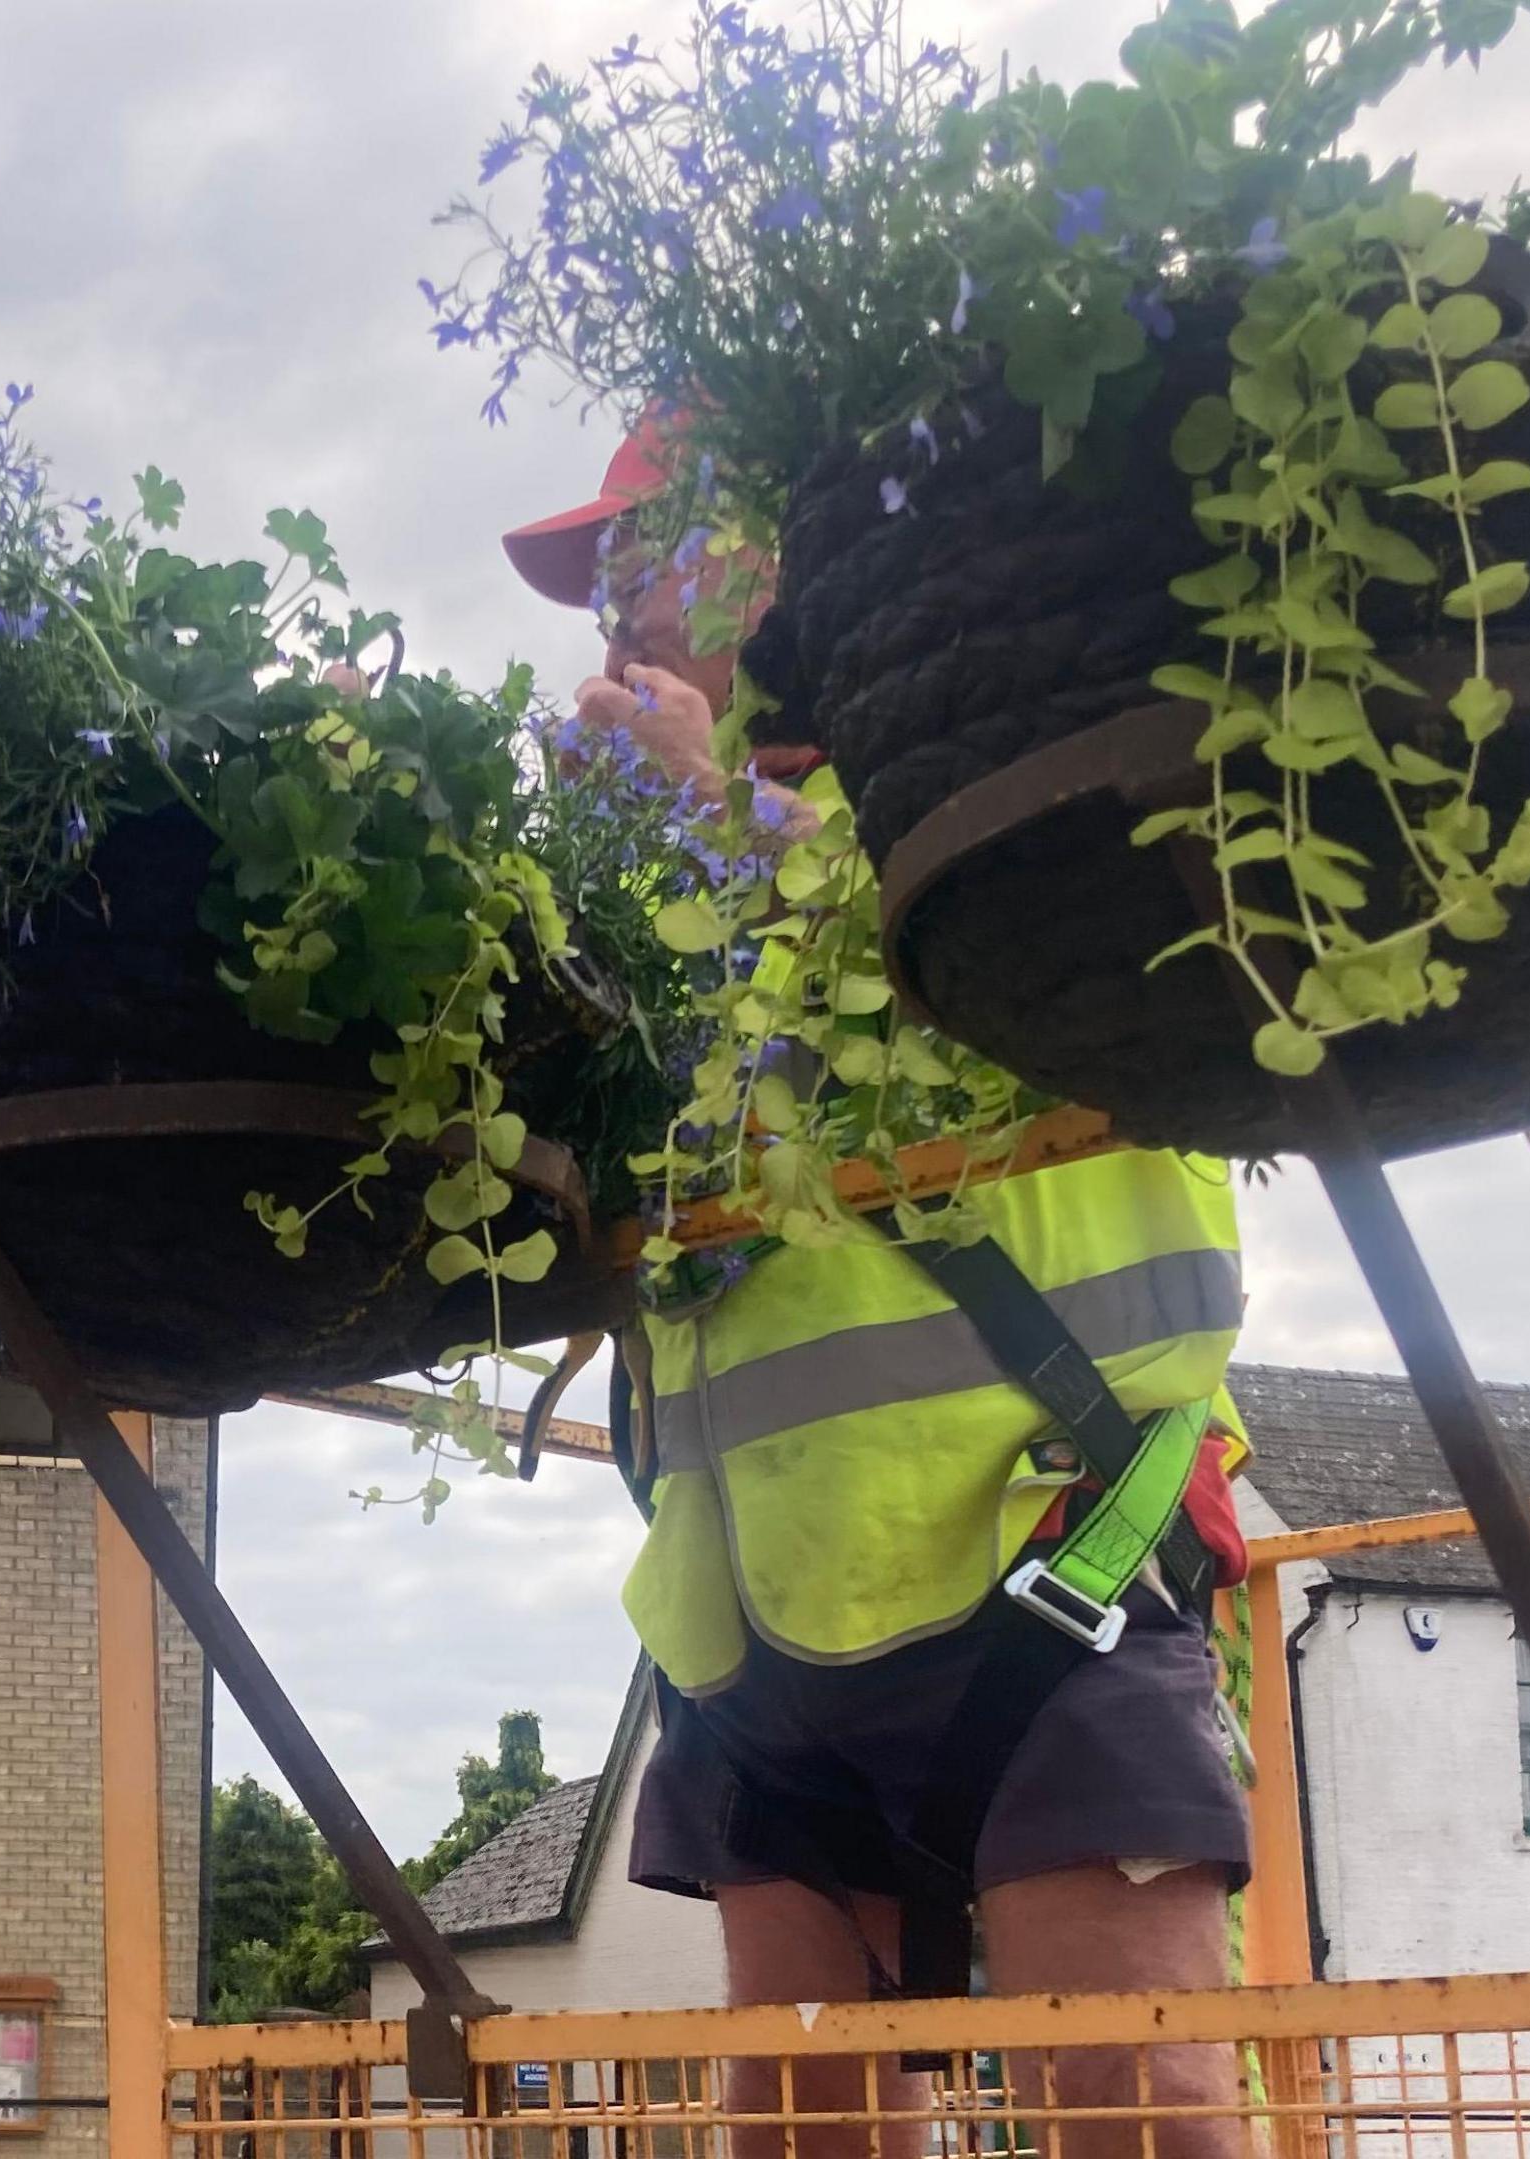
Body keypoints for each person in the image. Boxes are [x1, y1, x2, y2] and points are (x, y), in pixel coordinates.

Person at [509, 424, 1257, 2159]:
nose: (618, 604)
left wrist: (728, 822)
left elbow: (990, 972)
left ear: (789, 562)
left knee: (1141, 2094)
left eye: (655, 554)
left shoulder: (963, 790)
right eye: (604, 574)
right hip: (763, 1607)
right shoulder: (651, 932)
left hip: (1048, 1538)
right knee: (803, 2117)